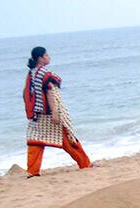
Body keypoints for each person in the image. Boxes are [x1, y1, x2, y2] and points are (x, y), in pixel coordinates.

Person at [23, 46, 91, 177]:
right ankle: (85, 164)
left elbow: (28, 93)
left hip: (37, 114)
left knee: (35, 141)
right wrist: (55, 113)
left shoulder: (32, 72)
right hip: (50, 113)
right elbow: (49, 93)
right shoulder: (43, 73)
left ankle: (32, 171)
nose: (49, 57)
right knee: (67, 139)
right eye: (46, 55)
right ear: (40, 58)